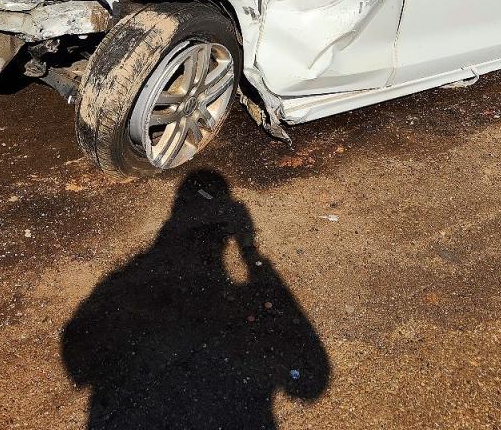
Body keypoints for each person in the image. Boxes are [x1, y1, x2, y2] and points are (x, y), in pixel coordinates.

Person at [62, 169, 329, 429]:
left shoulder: (133, 282)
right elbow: (310, 378)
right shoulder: (233, 303)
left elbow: (78, 355)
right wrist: (250, 253)